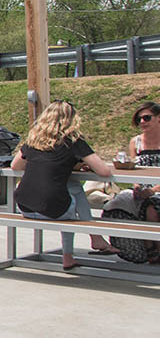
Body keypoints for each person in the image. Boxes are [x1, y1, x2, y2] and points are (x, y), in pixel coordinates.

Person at [11, 100, 115, 270]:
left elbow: (15, 166)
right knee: (74, 190)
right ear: (71, 119)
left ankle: (80, 249)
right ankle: (87, 243)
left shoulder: (34, 140)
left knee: (65, 194)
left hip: (25, 207)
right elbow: (104, 172)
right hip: (52, 210)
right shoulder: (73, 141)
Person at [102, 101, 160, 262]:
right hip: (143, 187)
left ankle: (153, 248)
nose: (142, 122)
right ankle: (142, 248)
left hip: (156, 188)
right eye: (139, 119)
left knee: (152, 207)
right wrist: (136, 186)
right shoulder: (136, 142)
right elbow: (133, 167)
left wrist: (153, 190)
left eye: (147, 118)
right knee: (116, 203)